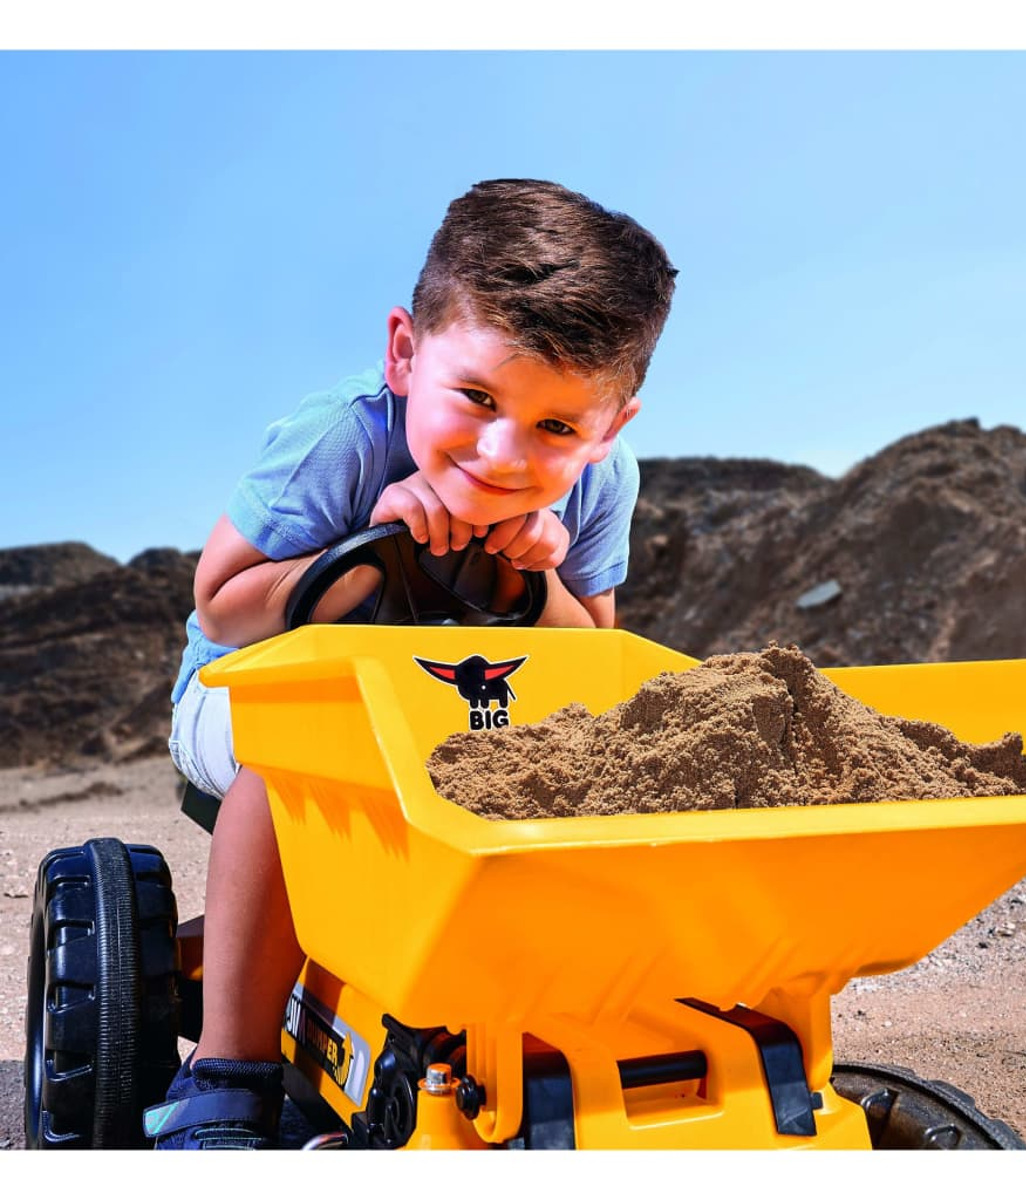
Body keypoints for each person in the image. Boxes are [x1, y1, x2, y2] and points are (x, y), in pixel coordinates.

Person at [147, 179, 677, 1149]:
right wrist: (369, 554)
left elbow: (592, 660)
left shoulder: (604, 483)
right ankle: (227, 1072)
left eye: (558, 428)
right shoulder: (344, 441)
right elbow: (221, 607)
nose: (505, 454)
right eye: (476, 398)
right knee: (306, 759)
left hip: (440, 722)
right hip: (250, 695)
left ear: (610, 428)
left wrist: (532, 591)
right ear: (404, 353)